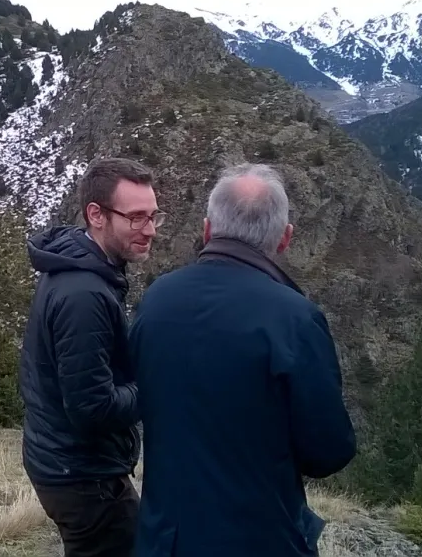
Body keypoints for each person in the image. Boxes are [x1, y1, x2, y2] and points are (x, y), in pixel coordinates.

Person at [129, 163, 356, 557]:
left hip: (162, 541)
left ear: (206, 230)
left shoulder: (157, 299)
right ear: (284, 239)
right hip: (261, 540)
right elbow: (328, 452)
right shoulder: (295, 319)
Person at [19, 157, 165, 557]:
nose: (149, 230)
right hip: (82, 476)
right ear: (96, 215)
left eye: (153, 216)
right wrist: (154, 386)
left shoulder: (81, 266)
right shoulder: (84, 295)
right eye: (135, 218)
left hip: (65, 462)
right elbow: (92, 406)